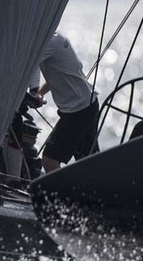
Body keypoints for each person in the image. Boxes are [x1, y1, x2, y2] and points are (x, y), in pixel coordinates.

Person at [28, 32, 99, 173]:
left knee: (49, 161)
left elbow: (31, 63)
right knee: (88, 162)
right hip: (88, 105)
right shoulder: (57, 37)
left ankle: (60, 195)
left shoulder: (48, 42)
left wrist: (33, 91)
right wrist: (40, 93)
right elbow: (56, 76)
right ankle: (96, 192)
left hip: (78, 112)